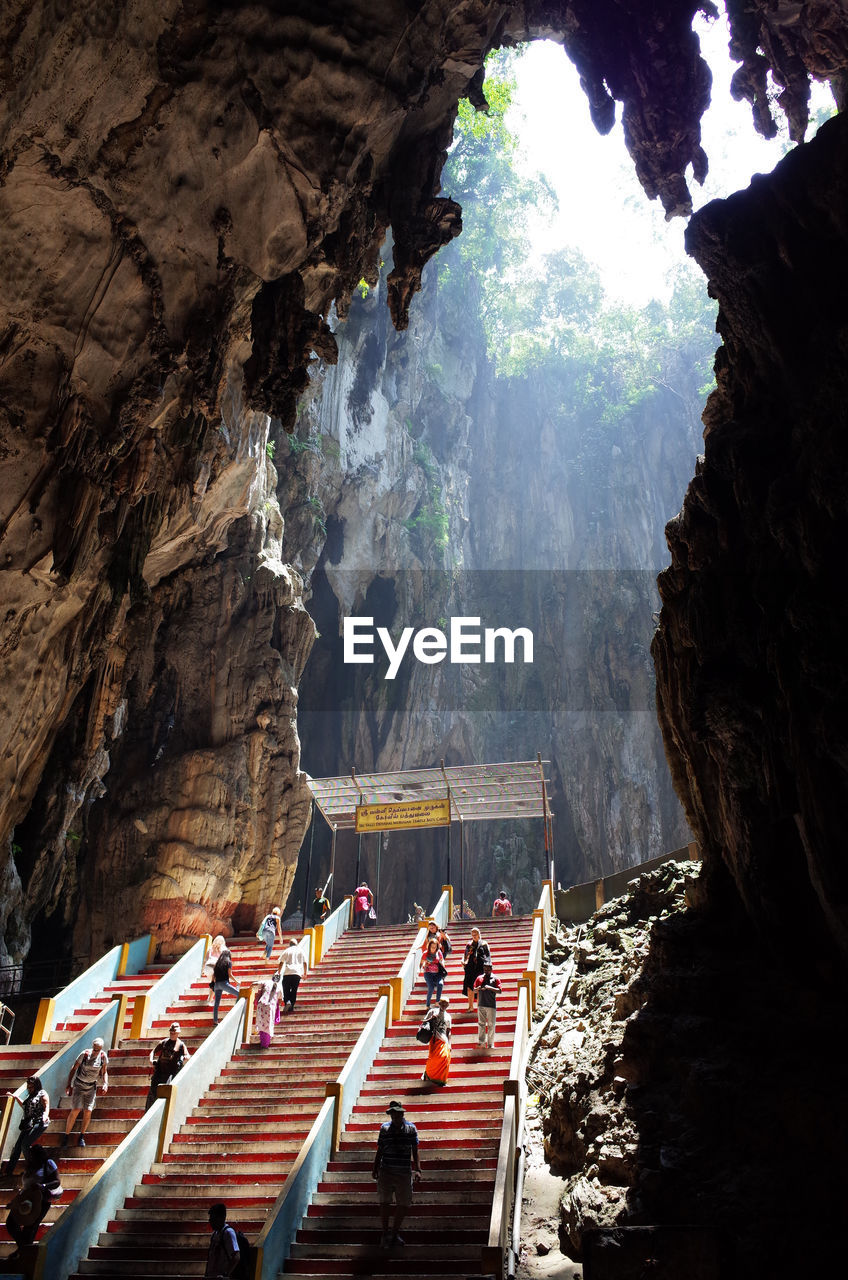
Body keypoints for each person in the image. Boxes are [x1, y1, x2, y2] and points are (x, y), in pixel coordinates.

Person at [371, 1100, 421, 1249]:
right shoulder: (384, 1129)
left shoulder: (411, 1129)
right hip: (386, 1170)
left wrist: (418, 1169)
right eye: (392, 1114)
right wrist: (375, 1168)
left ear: (401, 1114)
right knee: (384, 1202)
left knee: (404, 1204)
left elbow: (415, 1151)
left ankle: (394, 1233)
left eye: (397, 1114)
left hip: (404, 1172)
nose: (394, 1116)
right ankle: (385, 1234)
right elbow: (380, 1149)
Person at [4, 1145, 61, 1259]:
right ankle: (24, 1249)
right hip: (25, 1200)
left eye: (33, 1155)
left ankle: (24, 1255)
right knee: (11, 1223)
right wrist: (15, 1201)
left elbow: (57, 1181)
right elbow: (25, 1186)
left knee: (29, 1229)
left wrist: (42, 1186)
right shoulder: (30, 1166)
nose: (31, 1157)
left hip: (41, 1201)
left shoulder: (48, 1163)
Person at [62, 1037, 108, 1146]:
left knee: (88, 1111)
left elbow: (105, 1071)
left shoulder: (103, 1057)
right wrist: (69, 1084)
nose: (96, 1052)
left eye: (98, 1050)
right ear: (93, 1047)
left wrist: (105, 1083)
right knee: (76, 1109)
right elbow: (74, 1069)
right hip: (79, 1084)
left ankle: (81, 1136)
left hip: (91, 1086)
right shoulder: (85, 1054)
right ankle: (66, 1135)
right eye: (95, 1049)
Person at [2, 1076, 49, 1174]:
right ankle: (8, 1171)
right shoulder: (30, 1096)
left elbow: (46, 1107)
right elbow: (24, 1106)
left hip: (39, 1122)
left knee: (25, 1144)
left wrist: (45, 1116)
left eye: (31, 1087)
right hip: (28, 1123)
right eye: (28, 1087)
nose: (29, 1089)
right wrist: (15, 1097)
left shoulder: (42, 1093)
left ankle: (32, 1168)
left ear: (36, 1086)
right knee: (17, 1147)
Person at [145, 1022, 190, 1110]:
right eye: (171, 1032)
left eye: (174, 1032)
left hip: (169, 1074)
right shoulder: (164, 1042)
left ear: (178, 1033)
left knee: (164, 1092)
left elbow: (188, 1055)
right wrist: (151, 1060)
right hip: (159, 1072)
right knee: (152, 1093)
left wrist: (184, 1058)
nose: (172, 1034)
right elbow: (153, 1051)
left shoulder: (180, 1045)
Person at [421, 995, 451, 1086]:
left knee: (445, 1057)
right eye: (442, 1003)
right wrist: (431, 1018)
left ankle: (442, 1080)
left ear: (448, 1005)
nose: (444, 1005)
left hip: (444, 1040)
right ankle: (428, 1074)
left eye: (446, 1004)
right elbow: (423, 1021)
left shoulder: (448, 1016)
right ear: (439, 1003)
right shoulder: (432, 1011)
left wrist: (450, 1044)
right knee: (433, 1059)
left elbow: (449, 1031)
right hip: (434, 1039)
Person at [205, 1202, 241, 1277]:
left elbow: (236, 1256)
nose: (210, 1221)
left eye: (213, 1218)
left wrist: (225, 1274)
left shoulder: (228, 1233)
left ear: (222, 1218)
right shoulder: (215, 1234)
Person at [473, 960, 502, 1049]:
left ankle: (490, 1043)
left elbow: (500, 990)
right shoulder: (479, 978)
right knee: (481, 1023)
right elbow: (474, 989)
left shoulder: (495, 979)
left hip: (491, 1004)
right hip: (481, 1003)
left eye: (488, 969)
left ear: (491, 969)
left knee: (491, 1024)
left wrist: (489, 988)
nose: (486, 971)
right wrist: (477, 988)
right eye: (484, 969)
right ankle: (481, 1042)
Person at [462, 927, 491, 1011]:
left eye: (476, 934)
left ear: (479, 934)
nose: (474, 936)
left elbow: (488, 956)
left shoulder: (484, 944)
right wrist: (464, 961)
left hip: (480, 967)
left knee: (479, 987)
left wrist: (488, 966)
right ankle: (470, 1007)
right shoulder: (469, 944)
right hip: (470, 967)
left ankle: (479, 1007)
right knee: (469, 987)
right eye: (473, 934)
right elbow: (465, 955)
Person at [277, 936, 308, 1013]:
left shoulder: (287, 950)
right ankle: (292, 1005)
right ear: (296, 944)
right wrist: (305, 973)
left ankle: (287, 1001)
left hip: (287, 973)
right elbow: (305, 962)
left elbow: (281, 962)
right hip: (297, 973)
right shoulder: (301, 951)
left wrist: (279, 972)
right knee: (294, 990)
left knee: (286, 989)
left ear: (289, 944)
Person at [211, 944, 239, 1025]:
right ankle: (236, 1010)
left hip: (217, 985)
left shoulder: (217, 963)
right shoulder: (229, 962)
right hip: (224, 983)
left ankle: (215, 1021)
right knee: (239, 994)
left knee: (216, 1003)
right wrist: (237, 982)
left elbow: (213, 975)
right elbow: (230, 974)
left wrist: (212, 983)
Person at [253, 972, 283, 1048]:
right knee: (268, 1025)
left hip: (261, 1005)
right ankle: (265, 1043)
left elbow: (255, 984)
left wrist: (250, 987)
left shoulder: (266, 982)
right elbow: (280, 999)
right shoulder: (279, 987)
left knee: (261, 1023)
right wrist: (277, 1006)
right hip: (271, 1007)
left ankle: (263, 1042)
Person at [419, 937, 446, 1007]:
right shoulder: (425, 953)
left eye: (435, 947)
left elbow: (442, 959)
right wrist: (424, 965)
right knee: (431, 987)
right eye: (432, 947)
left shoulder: (438, 952)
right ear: (429, 946)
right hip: (428, 973)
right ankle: (427, 1004)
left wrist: (442, 964)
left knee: (440, 984)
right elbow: (421, 963)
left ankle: (437, 1001)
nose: (433, 948)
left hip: (437, 972)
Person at [203, 935, 227, 1005]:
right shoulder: (223, 949)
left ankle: (209, 999)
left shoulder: (210, 949)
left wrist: (203, 971)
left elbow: (205, 960)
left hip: (208, 968)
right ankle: (213, 1000)